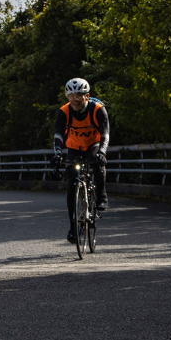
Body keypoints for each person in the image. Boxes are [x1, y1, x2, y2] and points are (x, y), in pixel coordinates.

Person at [53, 77, 110, 243]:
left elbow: (105, 134)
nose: (74, 99)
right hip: (75, 147)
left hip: (94, 144)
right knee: (71, 186)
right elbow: (58, 134)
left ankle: (101, 196)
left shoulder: (97, 109)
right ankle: (73, 227)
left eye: (79, 95)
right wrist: (57, 153)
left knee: (96, 163)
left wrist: (103, 153)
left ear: (87, 96)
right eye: (70, 95)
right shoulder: (64, 111)